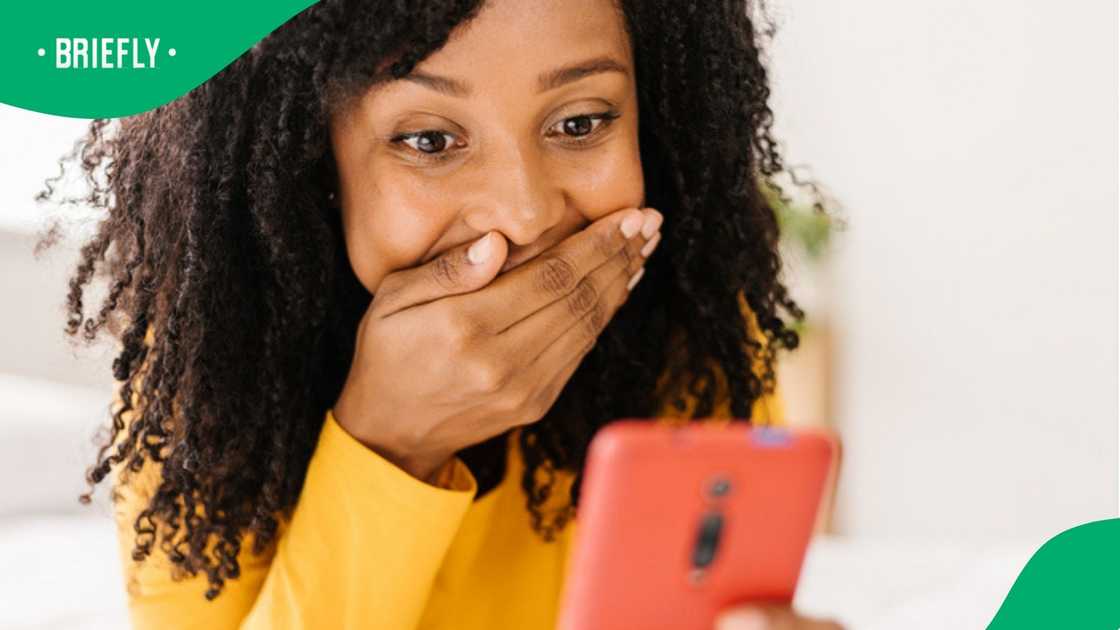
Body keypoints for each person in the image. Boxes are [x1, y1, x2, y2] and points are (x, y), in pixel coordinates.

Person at [40, 0, 841, 628]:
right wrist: (391, 442)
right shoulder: (199, 389)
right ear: (312, 164)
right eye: (428, 140)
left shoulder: (696, 338)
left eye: (580, 122)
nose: (525, 214)